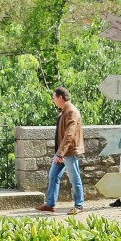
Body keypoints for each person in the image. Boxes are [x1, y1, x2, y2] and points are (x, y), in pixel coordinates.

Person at [35, 86, 85, 215]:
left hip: (69, 152)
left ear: (60, 97)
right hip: (62, 152)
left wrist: (61, 153)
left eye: (54, 98)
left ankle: (79, 205)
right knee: (53, 175)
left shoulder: (71, 111)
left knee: (74, 178)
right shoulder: (64, 111)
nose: (53, 100)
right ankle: (50, 204)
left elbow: (70, 134)